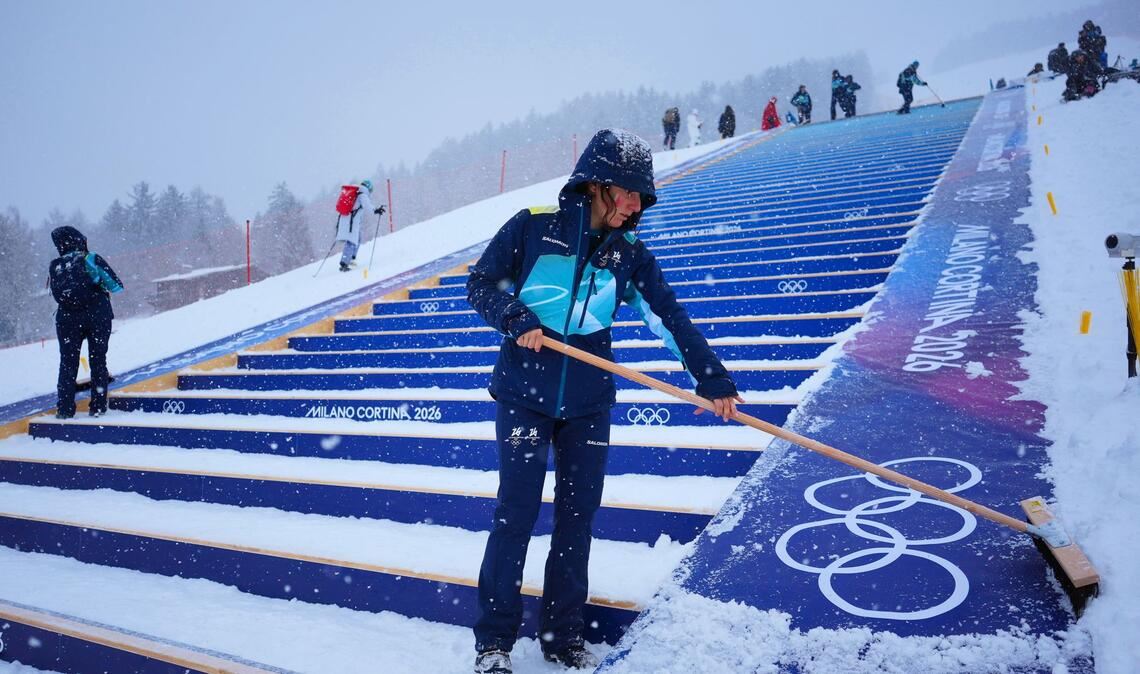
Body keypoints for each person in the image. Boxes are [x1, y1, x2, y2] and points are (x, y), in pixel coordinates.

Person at [466, 129, 740, 674]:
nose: (638, 205)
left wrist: (709, 377)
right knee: (515, 514)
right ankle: (494, 641)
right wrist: (515, 317)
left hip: (588, 402)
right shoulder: (533, 226)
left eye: (643, 196)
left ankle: (560, 637)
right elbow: (481, 285)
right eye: (630, 192)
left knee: (577, 520)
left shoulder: (629, 255)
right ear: (596, 185)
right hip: (526, 393)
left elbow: (668, 316)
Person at [48, 226, 123, 419]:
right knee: (97, 360)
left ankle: (64, 409)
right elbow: (116, 286)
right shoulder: (90, 259)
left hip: (66, 320)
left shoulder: (55, 266)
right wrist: (97, 284)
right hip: (97, 315)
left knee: (67, 363)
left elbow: (57, 295)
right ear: (80, 240)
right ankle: (97, 407)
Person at [334, 179, 384, 272]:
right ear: (369, 188)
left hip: (346, 219)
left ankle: (351, 258)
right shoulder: (362, 195)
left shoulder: (356, 193)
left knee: (357, 238)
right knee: (352, 241)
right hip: (351, 222)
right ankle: (344, 263)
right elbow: (368, 207)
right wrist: (376, 210)